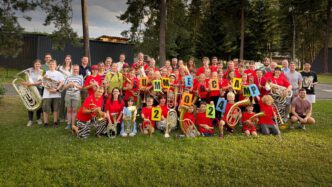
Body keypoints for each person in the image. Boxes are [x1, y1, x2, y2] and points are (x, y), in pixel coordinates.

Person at [42, 60, 65, 127]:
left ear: (55, 65)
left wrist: (57, 89)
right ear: (48, 65)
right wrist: (49, 89)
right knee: (46, 109)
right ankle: (46, 122)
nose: (52, 65)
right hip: (47, 94)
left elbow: (62, 82)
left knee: (56, 108)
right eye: (50, 64)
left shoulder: (58, 73)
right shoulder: (45, 73)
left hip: (56, 94)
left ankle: (55, 122)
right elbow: (43, 82)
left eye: (53, 64)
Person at [23, 59, 44, 127]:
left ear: (40, 65)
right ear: (34, 65)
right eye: (36, 64)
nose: (37, 65)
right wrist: (26, 83)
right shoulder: (30, 71)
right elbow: (25, 79)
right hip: (30, 89)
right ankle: (30, 120)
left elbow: (41, 82)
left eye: (38, 64)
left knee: (39, 104)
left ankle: (38, 119)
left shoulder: (42, 72)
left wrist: (32, 84)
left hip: (38, 89)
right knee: (30, 104)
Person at [62, 65, 84, 129]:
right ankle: (68, 124)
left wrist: (75, 85)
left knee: (74, 110)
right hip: (68, 94)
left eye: (76, 69)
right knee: (69, 110)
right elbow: (64, 87)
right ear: (72, 69)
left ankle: (72, 124)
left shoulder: (80, 77)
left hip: (76, 94)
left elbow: (82, 87)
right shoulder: (68, 77)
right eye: (74, 69)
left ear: (78, 70)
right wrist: (69, 84)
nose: (75, 70)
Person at [58, 55, 73, 123]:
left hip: (69, 87)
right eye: (66, 59)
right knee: (62, 102)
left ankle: (67, 116)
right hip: (62, 87)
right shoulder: (60, 67)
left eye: (69, 59)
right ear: (65, 60)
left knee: (68, 102)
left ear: (70, 60)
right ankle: (61, 117)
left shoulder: (72, 68)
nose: (67, 60)